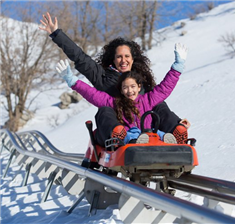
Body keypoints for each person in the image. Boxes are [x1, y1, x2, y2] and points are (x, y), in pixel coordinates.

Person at [39, 12, 190, 146]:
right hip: (116, 129)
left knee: (159, 104)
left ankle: (176, 131)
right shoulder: (103, 77)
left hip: (147, 129)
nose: (123, 60)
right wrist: (57, 34)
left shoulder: (141, 80)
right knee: (104, 110)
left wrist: (177, 121)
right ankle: (119, 135)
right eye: (119, 57)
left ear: (133, 59)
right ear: (113, 59)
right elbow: (81, 59)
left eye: (127, 56)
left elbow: (163, 90)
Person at [55, 43, 187, 145]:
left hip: (149, 134)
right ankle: (125, 139)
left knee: (158, 132)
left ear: (139, 87)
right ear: (121, 89)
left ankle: (174, 137)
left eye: (133, 87)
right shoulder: (114, 102)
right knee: (130, 133)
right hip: (130, 134)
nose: (130, 91)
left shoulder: (148, 99)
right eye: (125, 88)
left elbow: (165, 88)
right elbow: (91, 94)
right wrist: (71, 79)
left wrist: (178, 65)